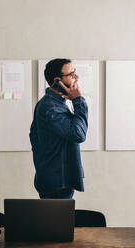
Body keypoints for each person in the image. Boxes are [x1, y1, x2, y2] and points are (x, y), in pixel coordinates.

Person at [29, 58, 88, 199]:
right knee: (57, 221)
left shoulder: (54, 103)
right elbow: (78, 134)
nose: (76, 78)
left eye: (75, 73)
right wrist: (79, 100)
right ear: (57, 80)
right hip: (57, 183)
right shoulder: (51, 107)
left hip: (57, 180)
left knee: (57, 221)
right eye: (71, 75)